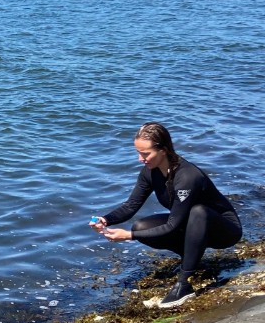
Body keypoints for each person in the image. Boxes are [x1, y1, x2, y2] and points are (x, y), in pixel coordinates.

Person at [90, 122, 242, 308]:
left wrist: (129, 236)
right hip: (189, 226)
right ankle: (192, 260)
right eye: (138, 153)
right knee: (141, 227)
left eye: (146, 154)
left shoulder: (187, 176)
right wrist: (105, 219)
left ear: (163, 149)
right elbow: (131, 205)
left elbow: (172, 226)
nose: (140, 159)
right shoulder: (150, 172)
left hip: (225, 231)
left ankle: (184, 284)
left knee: (198, 211)